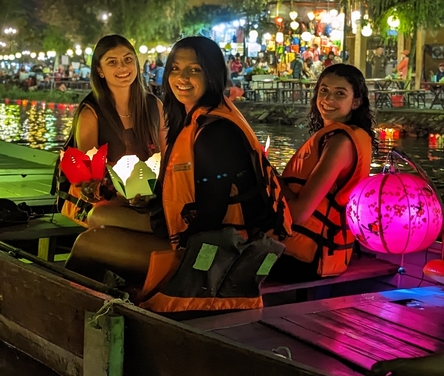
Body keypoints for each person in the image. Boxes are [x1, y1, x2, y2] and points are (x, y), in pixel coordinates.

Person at [67, 36, 291, 311]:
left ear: (213, 73)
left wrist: (164, 238)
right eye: (175, 68)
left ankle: (73, 313)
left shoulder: (214, 133)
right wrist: (152, 202)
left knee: (90, 242)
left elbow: (209, 218)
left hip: (212, 254)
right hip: (189, 231)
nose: (182, 78)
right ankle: (98, 307)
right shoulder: (197, 119)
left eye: (194, 70)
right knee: (100, 217)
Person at [276, 65, 374, 282]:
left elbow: (299, 214)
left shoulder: (341, 143)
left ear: (355, 102)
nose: (328, 99)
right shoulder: (350, 136)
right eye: (324, 90)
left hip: (307, 256)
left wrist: (269, 174)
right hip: (319, 250)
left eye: (340, 93)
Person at [58, 34, 166, 226]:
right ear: (100, 70)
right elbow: (89, 178)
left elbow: (167, 156)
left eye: (127, 60)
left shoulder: (154, 106)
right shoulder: (91, 113)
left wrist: (152, 191)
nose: (122, 67)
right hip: (106, 201)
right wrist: (121, 193)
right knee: (102, 218)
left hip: (150, 196)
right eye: (112, 62)